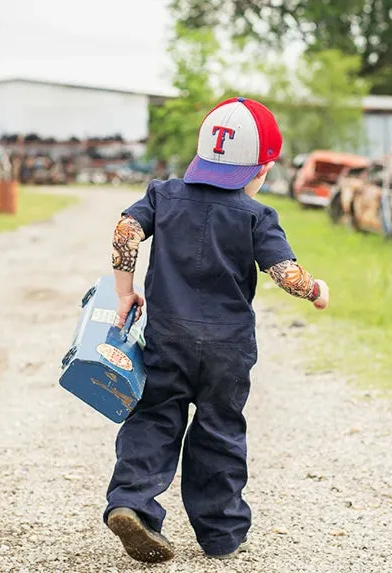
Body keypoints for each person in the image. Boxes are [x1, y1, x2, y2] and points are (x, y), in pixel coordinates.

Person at [104, 97, 330, 563]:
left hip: (167, 337)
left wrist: (124, 292)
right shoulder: (255, 215)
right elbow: (285, 272)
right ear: (261, 169)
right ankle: (221, 533)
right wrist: (316, 290)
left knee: (153, 417)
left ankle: (132, 502)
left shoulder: (163, 195)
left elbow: (125, 230)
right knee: (220, 430)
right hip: (228, 348)